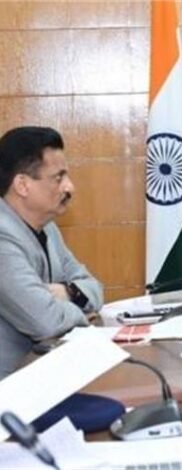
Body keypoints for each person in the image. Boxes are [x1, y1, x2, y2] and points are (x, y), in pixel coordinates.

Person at [0, 127, 103, 379]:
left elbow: (95, 288)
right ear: (22, 185)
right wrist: (83, 312)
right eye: (58, 178)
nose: (70, 187)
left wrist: (69, 292)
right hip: (10, 387)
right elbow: (45, 322)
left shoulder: (47, 228)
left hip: (43, 376)